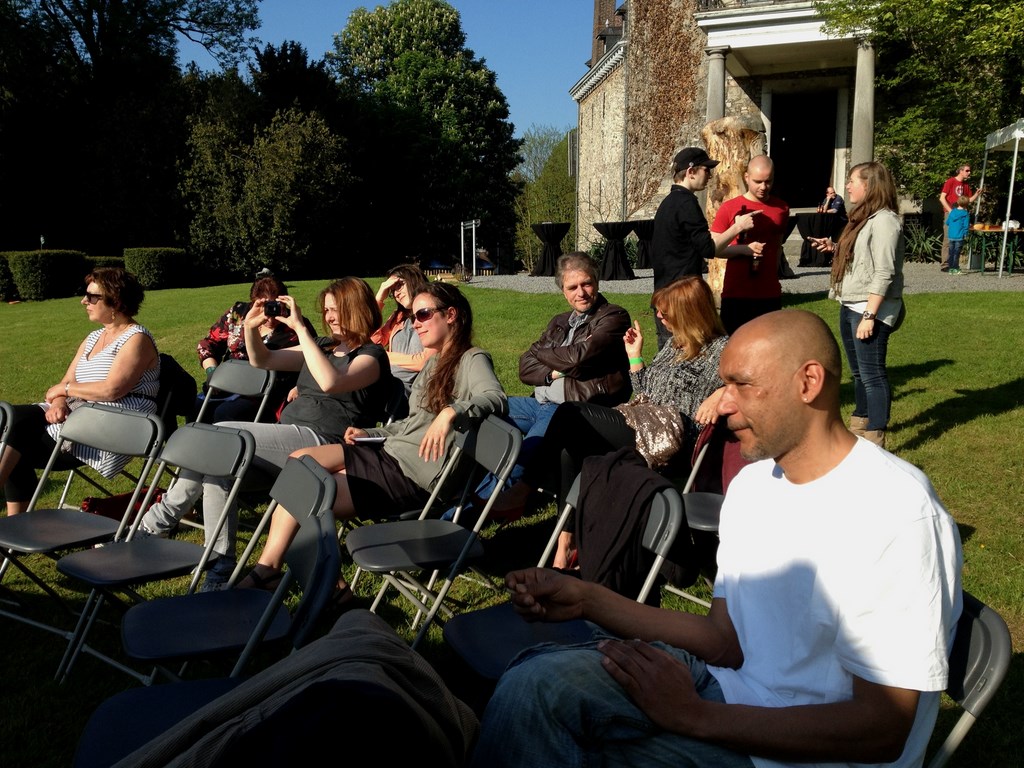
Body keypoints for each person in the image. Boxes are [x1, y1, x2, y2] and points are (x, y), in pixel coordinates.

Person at [470, 310, 963, 768]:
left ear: (808, 382)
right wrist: (586, 599)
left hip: (801, 754)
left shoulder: (897, 512)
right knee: (532, 686)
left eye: (741, 385)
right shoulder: (753, 485)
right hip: (728, 693)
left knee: (581, 746)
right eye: (723, 383)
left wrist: (692, 717)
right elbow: (724, 641)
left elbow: (883, 728)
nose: (721, 404)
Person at [238, 282, 507, 601]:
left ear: (451, 316)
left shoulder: (472, 359)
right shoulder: (436, 362)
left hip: (413, 474)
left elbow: (495, 397)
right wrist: (373, 434)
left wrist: (451, 411)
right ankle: (287, 576)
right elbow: (412, 425)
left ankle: (295, 580)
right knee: (300, 464)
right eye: (413, 315)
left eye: (422, 314)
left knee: (305, 492)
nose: (415, 322)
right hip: (390, 454)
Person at [139, 278, 394, 590]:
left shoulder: (372, 356)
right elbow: (263, 360)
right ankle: (220, 569)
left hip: (323, 445)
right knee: (218, 470)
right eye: (326, 310)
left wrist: (302, 330)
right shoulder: (324, 347)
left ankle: (152, 526)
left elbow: (331, 383)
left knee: (217, 436)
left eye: (336, 310)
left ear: (358, 309)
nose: (329, 317)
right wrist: (249, 328)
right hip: (286, 438)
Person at [490, 276, 727, 565]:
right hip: (640, 419)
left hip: (670, 437)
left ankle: (524, 489)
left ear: (690, 313)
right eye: (659, 313)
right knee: (570, 447)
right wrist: (635, 357)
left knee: (571, 413)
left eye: (666, 313)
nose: (660, 319)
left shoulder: (722, 352)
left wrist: (725, 392)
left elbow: (757, 385)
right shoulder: (675, 345)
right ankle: (565, 545)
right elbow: (645, 392)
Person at [0, 268, 160, 516]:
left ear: (115, 301)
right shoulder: (94, 337)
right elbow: (65, 383)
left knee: (14, 432)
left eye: (92, 297)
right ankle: (14, 531)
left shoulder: (136, 339)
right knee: (8, 424)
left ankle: (15, 528)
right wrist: (60, 401)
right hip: (78, 414)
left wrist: (64, 390)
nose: (84, 301)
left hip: (114, 425)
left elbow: (112, 389)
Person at [507, 252, 631, 483]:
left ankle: (494, 502)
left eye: (586, 284)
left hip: (568, 409)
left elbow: (577, 357)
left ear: (596, 282)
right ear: (563, 291)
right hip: (538, 403)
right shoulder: (559, 321)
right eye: (572, 287)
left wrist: (539, 353)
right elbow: (524, 368)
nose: (581, 293)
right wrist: (553, 371)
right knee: (485, 410)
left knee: (524, 455)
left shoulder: (614, 316)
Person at [810, 161, 906, 448]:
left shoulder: (886, 221)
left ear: (870, 185)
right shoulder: (864, 217)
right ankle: (860, 424)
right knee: (858, 372)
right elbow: (865, 257)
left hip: (869, 308)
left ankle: (875, 437)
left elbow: (884, 271)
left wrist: (870, 315)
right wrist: (836, 247)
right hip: (851, 303)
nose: (847, 186)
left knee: (873, 373)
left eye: (853, 181)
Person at [651, 146, 758, 348]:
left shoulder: (668, 203)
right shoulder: (686, 203)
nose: (710, 175)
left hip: (664, 298)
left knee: (669, 361)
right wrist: (738, 227)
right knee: (687, 359)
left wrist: (745, 250)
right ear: (691, 172)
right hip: (681, 300)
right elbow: (709, 248)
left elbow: (704, 247)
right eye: (706, 170)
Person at [194, 272, 315, 423]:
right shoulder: (238, 314)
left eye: (277, 307)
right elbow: (208, 344)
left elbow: (314, 360)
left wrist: (298, 387)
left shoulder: (295, 324)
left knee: (225, 413)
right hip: (229, 384)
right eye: (265, 307)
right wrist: (212, 370)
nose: (271, 315)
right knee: (197, 407)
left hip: (266, 393)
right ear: (253, 303)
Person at [710, 155, 790, 333]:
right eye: (758, 181)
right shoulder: (730, 208)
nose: (763, 187)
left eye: (768, 181)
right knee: (733, 349)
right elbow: (714, 248)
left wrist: (774, 274)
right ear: (746, 177)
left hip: (769, 293)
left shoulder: (782, 208)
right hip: (737, 293)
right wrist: (745, 249)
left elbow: (777, 246)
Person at [372, 264, 435, 408]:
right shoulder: (398, 317)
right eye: (391, 291)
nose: (396, 294)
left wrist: (383, 356)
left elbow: (424, 361)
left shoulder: (432, 312)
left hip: (412, 391)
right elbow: (371, 343)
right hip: (389, 383)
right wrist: (379, 298)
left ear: (414, 280)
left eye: (399, 286)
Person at [938, 164, 982, 271]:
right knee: (948, 238)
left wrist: (976, 194)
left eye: (969, 170)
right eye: (967, 170)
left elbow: (969, 200)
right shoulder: (951, 181)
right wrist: (951, 211)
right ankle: (945, 264)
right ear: (961, 171)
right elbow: (942, 198)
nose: (969, 172)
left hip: (962, 214)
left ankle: (954, 264)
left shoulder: (966, 185)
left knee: (958, 238)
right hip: (951, 213)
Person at [945, 195, 971, 275]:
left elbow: (947, 222)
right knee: (957, 253)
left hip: (951, 235)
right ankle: (955, 268)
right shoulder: (965, 214)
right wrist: (966, 233)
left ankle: (950, 268)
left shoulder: (952, 212)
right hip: (959, 236)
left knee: (951, 252)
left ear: (958, 202)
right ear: (966, 204)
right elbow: (966, 225)